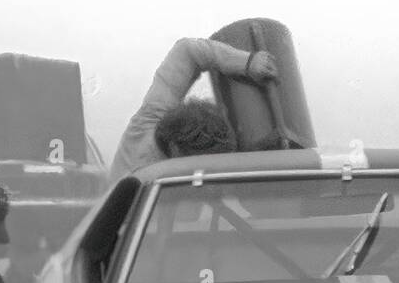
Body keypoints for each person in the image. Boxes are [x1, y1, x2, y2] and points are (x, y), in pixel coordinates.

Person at [109, 36, 279, 181]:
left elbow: (187, 51)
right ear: (175, 148)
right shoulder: (150, 182)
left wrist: (247, 62)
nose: (207, 171)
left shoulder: (150, 118)